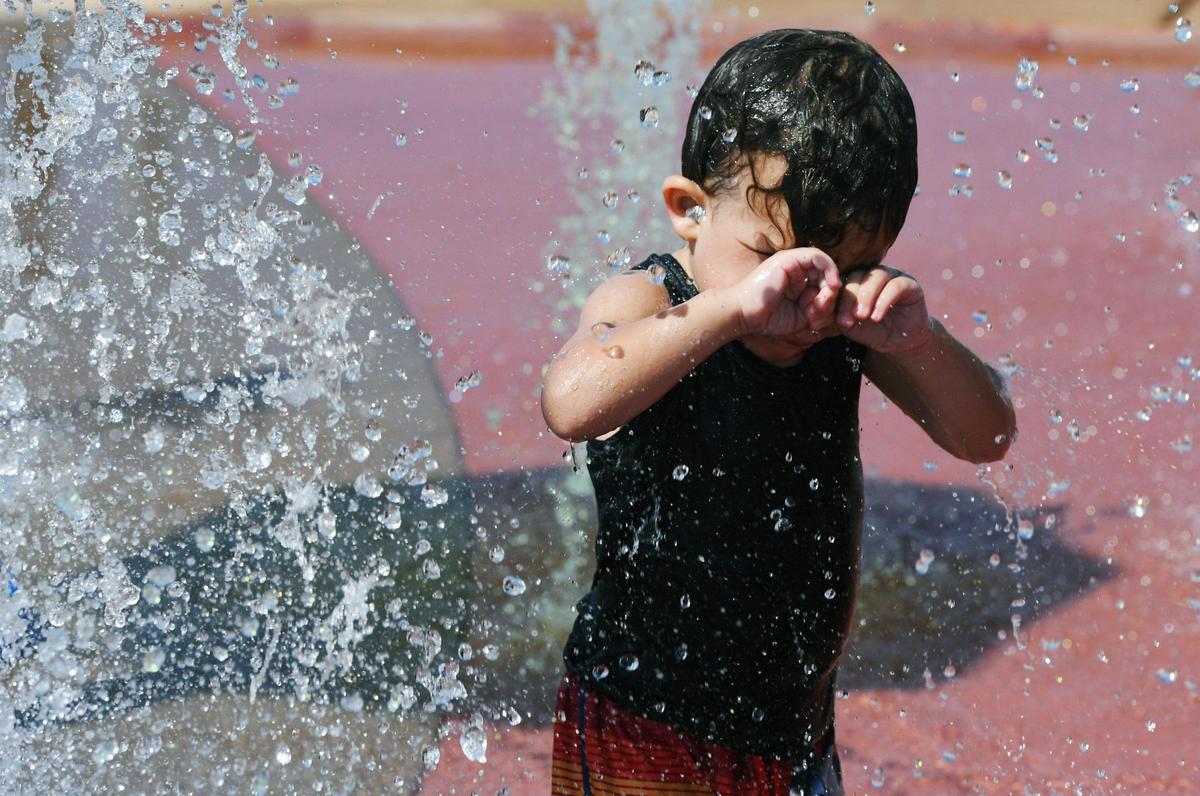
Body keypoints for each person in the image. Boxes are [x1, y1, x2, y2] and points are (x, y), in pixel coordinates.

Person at [539, 28, 1016, 795]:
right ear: (689, 211)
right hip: (645, 726)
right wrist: (729, 309)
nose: (805, 295)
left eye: (842, 265)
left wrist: (916, 341)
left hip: (794, 727)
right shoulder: (655, 300)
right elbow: (570, 402)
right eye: (773, 259)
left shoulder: (843, 320)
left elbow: (986, 434)